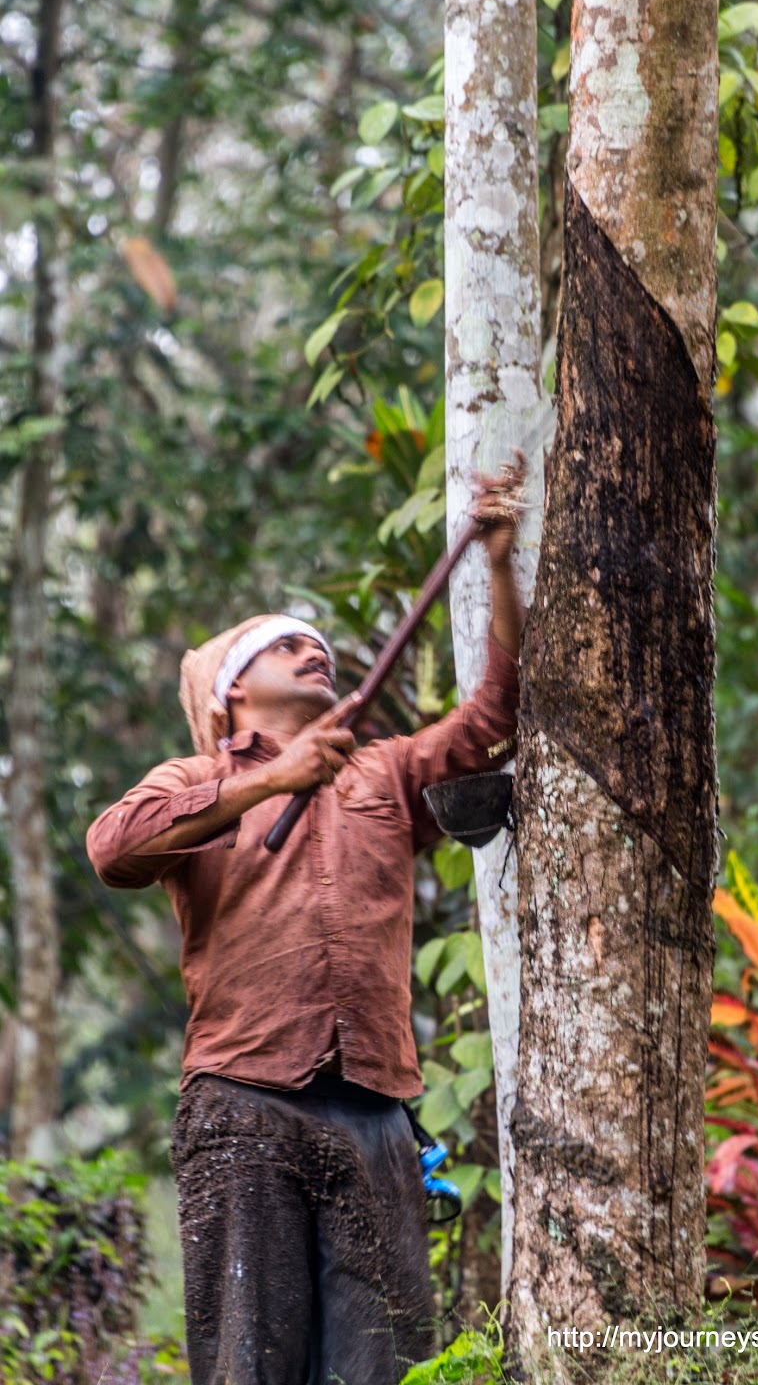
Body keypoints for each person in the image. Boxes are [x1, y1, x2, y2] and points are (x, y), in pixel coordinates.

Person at [87, 478, 523, 1385]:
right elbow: (113, 849)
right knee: (249, 1365)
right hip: (243, 1100)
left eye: (320, 646)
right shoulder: (192, 777)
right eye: (287, 645)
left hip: (377, 1110)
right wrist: (266, 783)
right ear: (235, 688)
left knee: (386, 1368)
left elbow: (490, 723)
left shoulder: (385, 771)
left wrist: (498, 559)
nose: (312, 653)